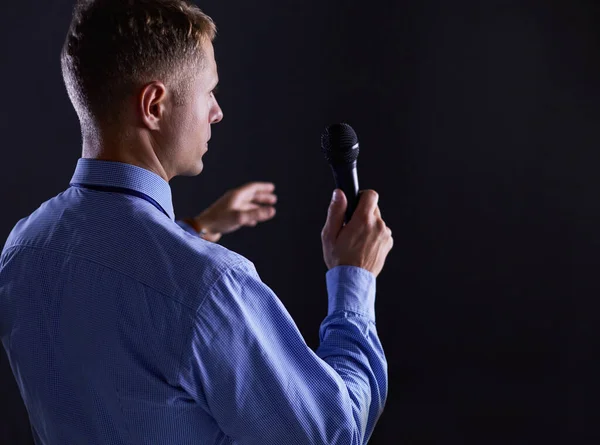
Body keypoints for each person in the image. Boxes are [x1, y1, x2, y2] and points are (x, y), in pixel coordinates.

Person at [0, 0, 394, 443]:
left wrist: (199, 228)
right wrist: (353, 280)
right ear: (153, 105)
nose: (217, 112)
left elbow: (116, 291)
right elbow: (332, 434)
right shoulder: (211, 286)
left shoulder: (21, 252)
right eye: (209, 91)